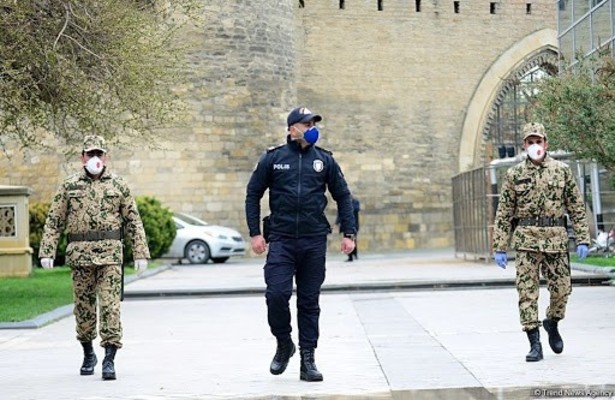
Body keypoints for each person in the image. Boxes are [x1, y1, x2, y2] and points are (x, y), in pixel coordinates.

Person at [245, 106, 356, 382]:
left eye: (313, 123)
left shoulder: (324, 160)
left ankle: (308, 359)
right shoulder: (274, 158)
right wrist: (255, 233)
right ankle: (284, 342)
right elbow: (253, 194)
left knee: (309, 302)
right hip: (281, 239)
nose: (311, 128)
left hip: (313, 240)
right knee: (276, 295)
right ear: (292, 128)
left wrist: (349, 233)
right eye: (306, 124)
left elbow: (343, 195)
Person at [38, 135, 150, 380]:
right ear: (82, 157)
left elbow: (133, 220)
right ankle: (88, 353)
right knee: (84, 308)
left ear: (106, 157)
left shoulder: (118, 185)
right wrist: (47, 250)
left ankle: (109, 358)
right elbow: (54, 221)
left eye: (99, 154)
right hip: (80, 256)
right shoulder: (69, 186)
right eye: (91, 154)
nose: (95, 158)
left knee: (111, 306)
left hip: (110, 256)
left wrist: (140, 252)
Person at [492, 122, 590, 363]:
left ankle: (552, 322)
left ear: (546, 144)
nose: (535, 145)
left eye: (538, 141)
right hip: (526, 240)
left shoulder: (562, 171)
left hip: (556, 239)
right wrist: (499, 246)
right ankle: (534, 343)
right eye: (530, 141)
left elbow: (576, 206)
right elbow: (504, 211)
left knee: (562, 289)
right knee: (527, 293)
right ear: (524, 145)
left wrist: (582, 238)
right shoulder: (515, 174)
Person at [337, 195, 361, 261]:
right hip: (346, 225)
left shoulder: (355, 202)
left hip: (354, 225)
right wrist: (337, 222)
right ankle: (350, 256)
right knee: (347, 239)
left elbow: (356, 209)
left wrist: (348, 205)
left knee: (353, 240)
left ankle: (355, 254)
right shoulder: (343, 204)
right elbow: (340, 214)